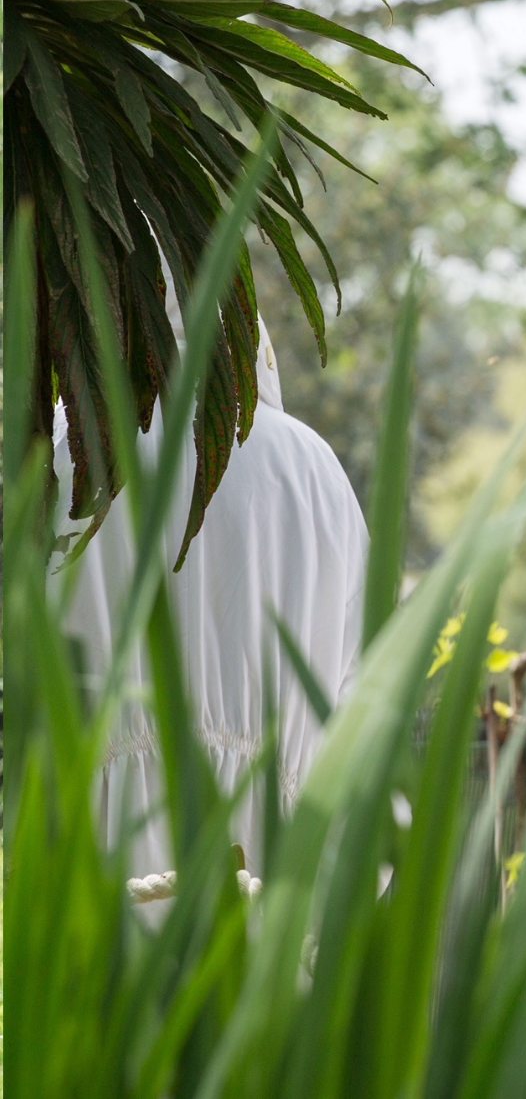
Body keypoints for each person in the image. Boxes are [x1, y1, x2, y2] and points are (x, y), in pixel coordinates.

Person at [61, 321, 368, 878]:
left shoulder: (59, 449)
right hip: (272, 870)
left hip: (75, 866)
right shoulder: (313, 468)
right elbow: (363, 710)